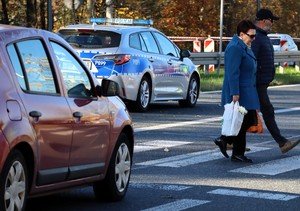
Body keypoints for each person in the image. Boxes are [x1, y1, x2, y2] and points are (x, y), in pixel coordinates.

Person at [251, 8, 300, 153]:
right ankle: (282, 142)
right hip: (257, 83)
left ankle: (227, 140)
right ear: (264, 20)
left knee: (246, 114)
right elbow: (251, 60)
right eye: (271, 20)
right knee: (267, 111)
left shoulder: (262, 36)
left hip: (261, 82)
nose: (272, 23)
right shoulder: (256, 37)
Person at [214, 20, 260, 163]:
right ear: (241, 34)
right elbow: (232, 73)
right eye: (251, 36)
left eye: (254, 36)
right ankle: (234, 150)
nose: (253, 39)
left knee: (247, 121)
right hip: (240, 91)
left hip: (247, 90)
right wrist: (234, 93)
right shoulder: (235, 47)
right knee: (243, 122)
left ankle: (225, 141)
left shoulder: (244, 45)